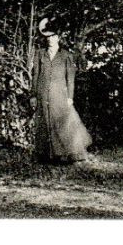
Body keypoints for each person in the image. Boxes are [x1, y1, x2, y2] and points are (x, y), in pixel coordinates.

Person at [32, 21, 93, 164]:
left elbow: (70, 79)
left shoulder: (66, 56)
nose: (50, 39)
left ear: (58, 37)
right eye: (47, 37)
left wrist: (70, 97)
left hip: (59, 95)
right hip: (43, 94)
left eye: (53, 36)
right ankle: (46, 155)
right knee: (44, 123)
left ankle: (63, 155)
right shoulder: (40, 54)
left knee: (62, 124)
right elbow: (36, 75)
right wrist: (33, 95)